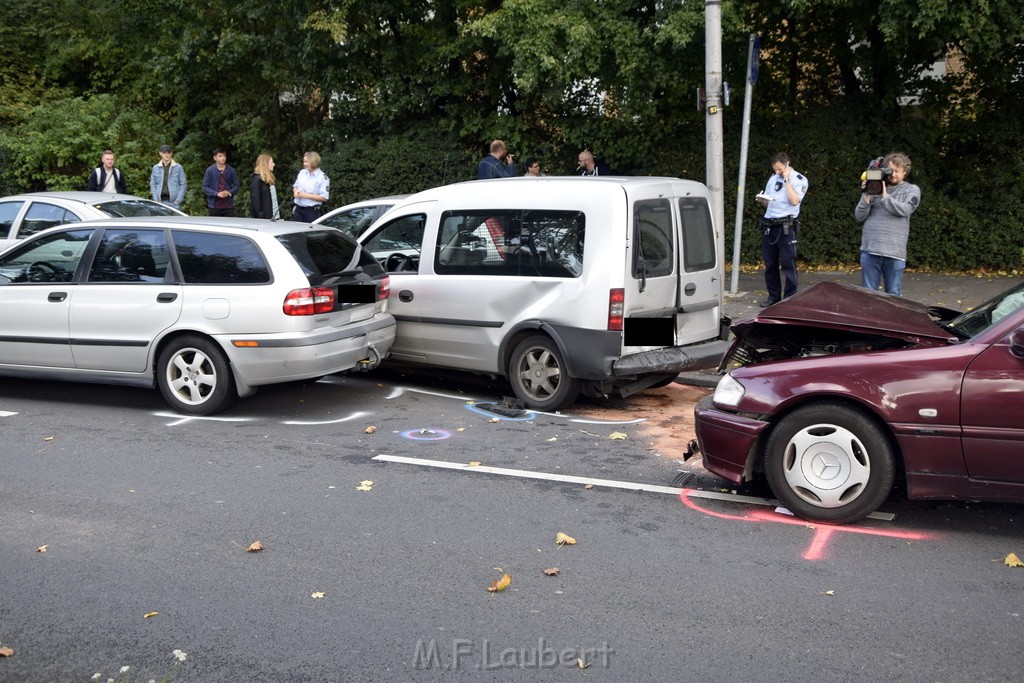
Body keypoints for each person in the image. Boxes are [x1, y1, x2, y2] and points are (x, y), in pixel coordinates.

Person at [855, 151, 920, 296]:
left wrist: (883, 196)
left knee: (893, 295)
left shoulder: (911, 189)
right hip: (870, 250)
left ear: (905, 173)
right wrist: (866, 195)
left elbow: (904, 210)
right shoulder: (874, 187)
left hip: (894, 253)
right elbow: (859, 216)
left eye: (897, 171)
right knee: (868, 295)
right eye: (890, 170)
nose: (893, 174)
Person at [756, 152, 808, 307]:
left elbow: (794, 201)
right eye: (775, 169)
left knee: (788, 262)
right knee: (770, 263)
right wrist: (762, 200)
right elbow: (769, 203)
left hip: (786, 226)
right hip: (769, 225)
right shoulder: (772, 179)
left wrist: (786, 180)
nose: (777, 172)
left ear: (787, 164)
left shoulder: (799, 180)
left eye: (779, 169)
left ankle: (789, 299)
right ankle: (773, 297)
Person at [292, 151, 330, 222]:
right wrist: (295, 191)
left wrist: (306, 195)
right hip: (298, 210)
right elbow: (295, 186)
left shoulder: (323, 178)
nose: (304, 164)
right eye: (304, 161)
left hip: (312, 212)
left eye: (306, 162)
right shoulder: (302, 172)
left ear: (313, 162)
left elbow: (324, 197)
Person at [201, 148, 240, 217]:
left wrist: (229, 192)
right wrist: (217, 194)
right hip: (214, 207)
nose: (223, 158)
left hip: (228, 206)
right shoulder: (210, 170)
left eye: (224, 156)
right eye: (220, 156)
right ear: (215, 158)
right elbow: (204, 187)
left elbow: (237, 185)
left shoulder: (231, 170)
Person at [149, 144, 186, 210]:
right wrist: (156, 200)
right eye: (164, 152)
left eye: (169, 152)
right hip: (160, 201)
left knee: (175, 220)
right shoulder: (155, 168)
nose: (167, 154)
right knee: (161, 220)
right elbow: (153, 184)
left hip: (174, 202)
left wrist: (178, 200)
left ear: (171, 153)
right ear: (160, 153)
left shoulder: (178, 167)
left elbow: (183, 184)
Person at [249, 154, 280, 220]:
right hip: (262, 219)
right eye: (271, 162)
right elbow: (255, 200)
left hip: (273, 217)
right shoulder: (256, 179)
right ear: (265, 164)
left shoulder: (270, 179)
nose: (274, 164)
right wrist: (261, 217)